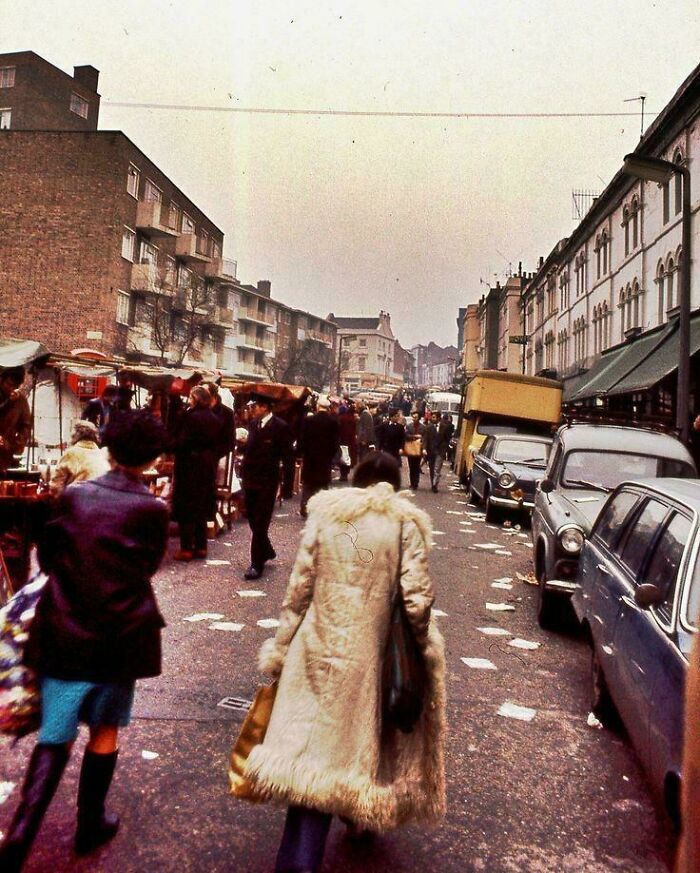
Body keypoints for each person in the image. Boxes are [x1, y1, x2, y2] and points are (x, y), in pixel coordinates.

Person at [244, 451, 446, 873]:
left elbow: (299, 589)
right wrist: (422, 653)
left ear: (355, 480)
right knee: (344, 750)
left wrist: (282, 647)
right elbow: (416, 599)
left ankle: (308, 849)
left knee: (313, 747)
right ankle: (313, 852)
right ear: (393, 485)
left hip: (314, 648)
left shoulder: (325, 517)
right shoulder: (404, 524)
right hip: (366, 659)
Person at [0, 410, 170, 872]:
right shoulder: (153, 509)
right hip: (121, 637)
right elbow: (148, 568)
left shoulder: (74, 496)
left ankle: (19, 836)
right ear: (152, 456)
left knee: (55, 734)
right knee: (105, 729)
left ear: (109, 449)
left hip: (65, 629)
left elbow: (50, 554)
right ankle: (89, 822)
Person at [241, 393, 294, 580]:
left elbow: (288, 457)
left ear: (265, 407)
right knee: (252, 519)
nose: (252, 409)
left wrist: (287, 486)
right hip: (250, 480)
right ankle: (267, 549)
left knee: (261, 522)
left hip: (267, 482)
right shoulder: (254, 425)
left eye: (254, 406)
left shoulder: (280, 427)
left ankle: (256, 564)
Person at [172, 385, 221, 561]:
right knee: (201, 505)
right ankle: (201, 547)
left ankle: (186, 548)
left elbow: (181, 441)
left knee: (187, 507)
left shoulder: (189, 417)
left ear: (196, 398)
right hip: (207, 465)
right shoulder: (215, 418)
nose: (189, 400)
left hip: (189, 464)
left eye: (191, 397)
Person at [297, 395, 340, 518]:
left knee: (308, 484)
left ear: (317, 406)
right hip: (325, 459)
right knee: (322, 484)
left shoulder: (308, 421)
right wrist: (331, 456)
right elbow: (335, 443)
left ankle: (305, 507)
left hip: (310, 458)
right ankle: (322, 508)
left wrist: (302, 453)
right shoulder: (333, 422)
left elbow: (302, 440)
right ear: (328, 408)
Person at [49, 420, 109, 497]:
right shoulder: (102, 454)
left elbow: (56, 486)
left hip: (79, 501)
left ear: (74, 435)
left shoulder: (71, 453)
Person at [0, 366, 32, 474]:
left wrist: (17, 444)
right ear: (2, 380)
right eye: (8, 384)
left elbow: (26, 425)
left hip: (5, 454)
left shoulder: (20, 400)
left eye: (14, 386)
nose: (10, 388)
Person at [424, 413, 455, 493]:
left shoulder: (445, 427)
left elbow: (447, 439)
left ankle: (435, 485)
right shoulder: (429, 427)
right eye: (432, 417)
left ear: (438, 418)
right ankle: (432, 483)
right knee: (432, 468)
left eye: (434, 417)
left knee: (437, 469)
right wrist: (424, 449)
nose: (432, 418)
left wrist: (445, 447)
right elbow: (426, 439)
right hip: (431, 451)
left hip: (440, 451)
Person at [404, 411, 425, 490]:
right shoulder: (409, 426)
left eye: (415, 417)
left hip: (419, 448)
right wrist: (415, 436)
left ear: (419, 418)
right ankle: (412, 482)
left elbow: (424, 437)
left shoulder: (423, 427)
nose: (414, 419)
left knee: (416, 466)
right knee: (411, 466)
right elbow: (406, 435)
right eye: (413, 417)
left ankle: (416, 483)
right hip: (411, 447)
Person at [336, 403, 358, 482]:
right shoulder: (352, 419)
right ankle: (345, 474)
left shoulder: (341, 418)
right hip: (350, 442)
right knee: (348, 458)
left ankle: (343, 475)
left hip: (342, 441)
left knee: (342, 458)